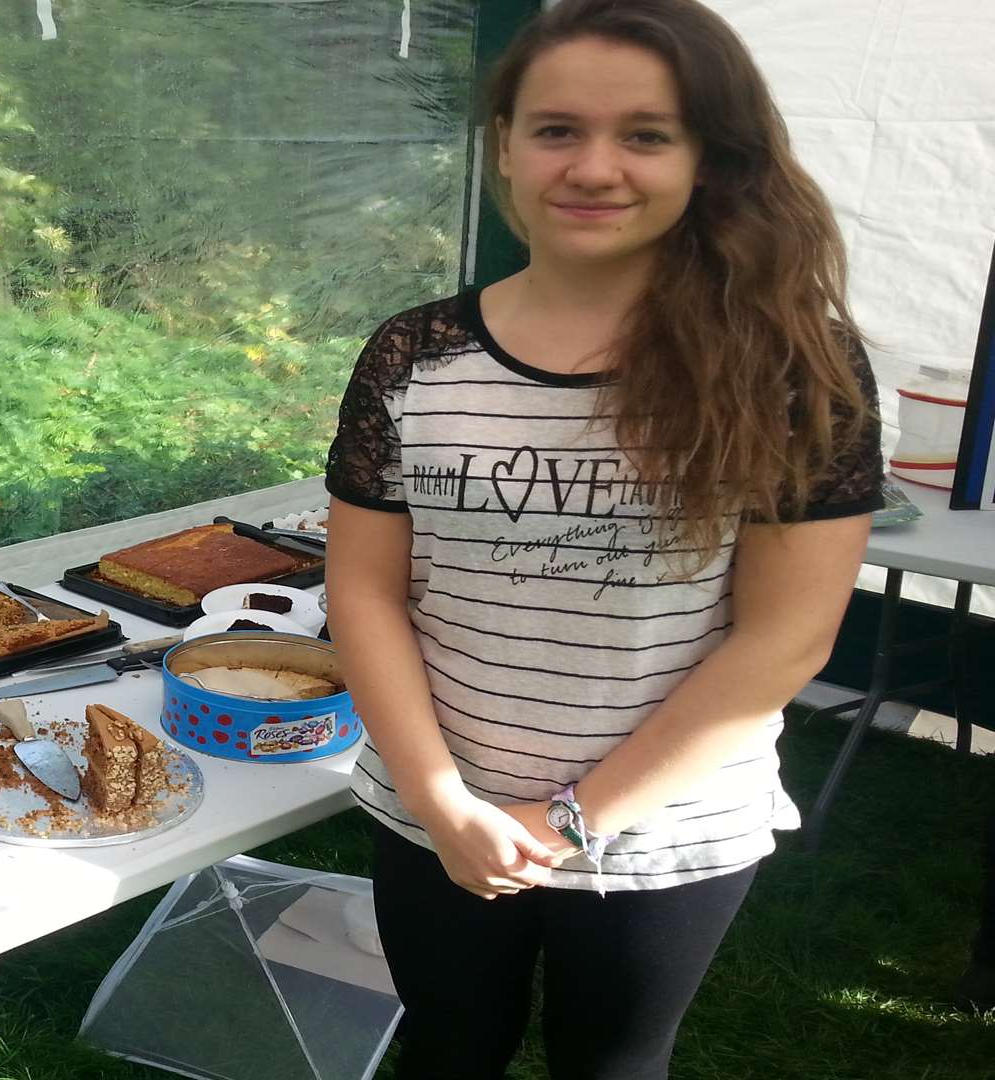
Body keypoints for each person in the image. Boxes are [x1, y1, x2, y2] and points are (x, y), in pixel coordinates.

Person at [322, 1, 883, 1077]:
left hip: (665, 834)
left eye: (645, 134)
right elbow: (366, 594)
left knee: (613, 1066)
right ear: (505, 146)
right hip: (433, 809)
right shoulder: (412, 354)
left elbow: (786, 640)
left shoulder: (790, 368)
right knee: (446, 1050)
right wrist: (444, 802)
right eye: (556, 129)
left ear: (708, 157)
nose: (594, 167)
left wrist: (572, 820)